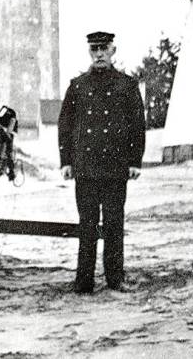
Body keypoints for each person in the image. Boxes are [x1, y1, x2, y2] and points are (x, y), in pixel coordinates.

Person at [58, 31, 146, 293]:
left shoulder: (127, 86)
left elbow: (137, 125)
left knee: (114, 225)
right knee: (87, 225)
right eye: (94, 49)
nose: (99, 54)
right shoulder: (78, 86)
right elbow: (65, 125)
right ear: (89, 52)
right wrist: (66, 161)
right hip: (86, 167)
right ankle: (84, 282)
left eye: (103, 49)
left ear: (112, 51)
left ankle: (115, 279)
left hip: (115, 167)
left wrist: (135, 161)